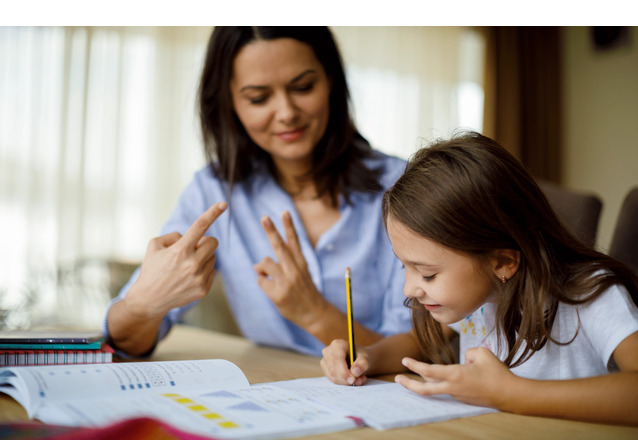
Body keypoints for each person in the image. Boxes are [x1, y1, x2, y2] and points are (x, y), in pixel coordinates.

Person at [103, 27, 411, 357]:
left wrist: (314, 314)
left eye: (304, 87)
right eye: (258, 98)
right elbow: (124, 342)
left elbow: (423, 346)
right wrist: (142, 304)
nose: (287, 112)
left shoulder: (403, 185)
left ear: (332, 81)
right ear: (229, 102)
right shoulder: (214, 192)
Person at [321, 131, 638, 426]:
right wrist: (369, 356)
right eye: (405, 267)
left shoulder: (590, 293)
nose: (410, 288)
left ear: (502, 262)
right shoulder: (476, 299)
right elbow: (415, 343)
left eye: (428, 274)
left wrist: (512, 394)